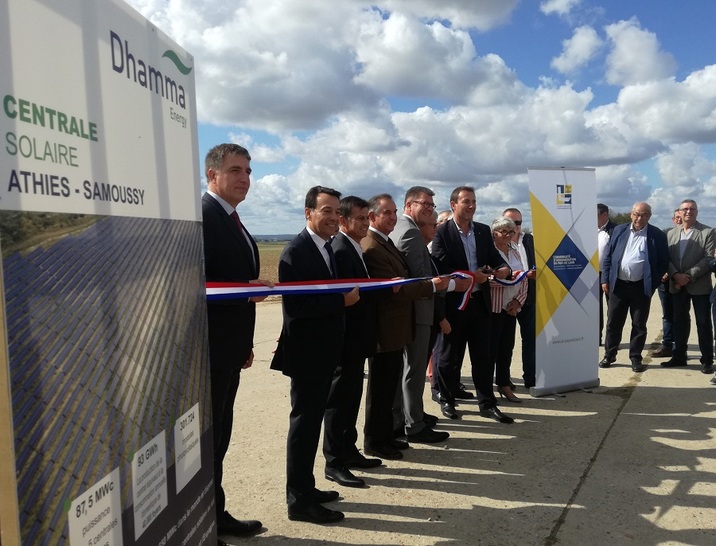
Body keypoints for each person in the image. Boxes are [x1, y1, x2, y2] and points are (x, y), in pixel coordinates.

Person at [271, 186, 359, 524]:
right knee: (304, 426)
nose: (334, 218)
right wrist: (341, 302)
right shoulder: (296, 252)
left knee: (312, 424)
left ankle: (307, 488)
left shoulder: (327, 249)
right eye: (326, 210)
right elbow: (296, 307)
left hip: (325, 352)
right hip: (307, 355)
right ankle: (299, 501)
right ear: (308, 213)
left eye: (337, 211)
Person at [202, 143, 272, 538]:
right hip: (210, 349)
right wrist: (244, 289)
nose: (245, 178)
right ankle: (208, 521)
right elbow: (196, 283)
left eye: (247, 170)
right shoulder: (204, 216)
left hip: (230, 348)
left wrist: (244, 345)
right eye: (235, 171)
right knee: (210, 438)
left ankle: (217, 513)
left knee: (221, 435)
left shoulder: (231, 218)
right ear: (212, 175)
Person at [361, 194, 448, 460]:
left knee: (390, 384)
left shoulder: (385, 240)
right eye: (386, 213)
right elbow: (400, 285)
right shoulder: (372, 244)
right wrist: (436, 285)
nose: (392, 217)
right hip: (388, 325)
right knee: (385, 386)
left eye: (393, 212)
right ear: (372, 216)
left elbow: (404, 278)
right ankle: (384, 436)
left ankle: (389, 432)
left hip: (398, 323)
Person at [390, 187, 467, 444]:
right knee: (413, 371)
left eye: (432, 206)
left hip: (414, 310)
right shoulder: (410, 232)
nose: (430, 209)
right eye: (425, 204)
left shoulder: (405, 228)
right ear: (409, 205)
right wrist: (453, 284)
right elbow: (423, 279)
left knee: (411, 370)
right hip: (418, 311)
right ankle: (414, 424)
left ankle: (412, 416)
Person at [431, 186, 513, 423]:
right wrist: (470, 276)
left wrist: (503, 269)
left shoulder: (483, 231)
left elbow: (495, 259)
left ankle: (487, 403)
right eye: (466, 201)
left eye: (474, 201)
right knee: (448, 357)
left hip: (480, 304)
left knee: (483, 357)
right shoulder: (442, 233)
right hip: (454, 305)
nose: (472, 206)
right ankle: (446, 399)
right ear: (454, 204)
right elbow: (441, 266)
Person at [323, 196, 381, 489]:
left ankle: (349, 449)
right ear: (343, 221)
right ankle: (334, 461)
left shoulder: (355, 248)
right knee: (338, 402)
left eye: (367, 217)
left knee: (351, 399)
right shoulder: (340, 249)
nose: (365, 223)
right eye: (359, 218)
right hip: (345, 341)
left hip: (358, 340)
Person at [599, 202, 669, 372]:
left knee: (639, 324)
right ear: (631, 214)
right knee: (613, 322)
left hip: (641, 287)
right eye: (636, 214)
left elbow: (663, 263)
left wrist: (653, 283)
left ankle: (635, 357)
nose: (639, 218)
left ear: (649, 217)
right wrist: (605, 279)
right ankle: (610, 354)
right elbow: (608, 257)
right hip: (619, 286)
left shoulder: (657, 235)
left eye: (644, 214)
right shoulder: (619, 231)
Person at [663, 199, 715, 373]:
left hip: (699, 285)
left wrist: (688, 276)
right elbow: (667, 259)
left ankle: (707, 359)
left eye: (692, 209)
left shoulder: (708, 232)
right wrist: (676, 276)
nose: (688, 212)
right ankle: (679, 356)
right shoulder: (671, 234)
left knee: (703, 322)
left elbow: (708, 259)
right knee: (679, 321)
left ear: (697, 212)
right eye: (685, 209)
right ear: (679, 212)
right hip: (677, 285)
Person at [489, 217, 529, 402]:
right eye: (502, 231)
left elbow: (524, 277)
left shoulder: (515, 250)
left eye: (510, 231)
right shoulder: (489, 251)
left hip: (511, 308)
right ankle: (486, 389)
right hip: (493, 308)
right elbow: (487, 281)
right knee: (489, 350)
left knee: (506, 349)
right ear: (494, 232)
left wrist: (518, 301)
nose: (506, 235)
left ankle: (504, 384)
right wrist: (509, 278)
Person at [502, 207, 537, 388]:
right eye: (510, 222)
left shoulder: (529, 240)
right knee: (505, 344)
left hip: (528, 298)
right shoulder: (497, 243)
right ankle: (504, 380)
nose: (514, 226)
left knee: (530, 340)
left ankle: (530, 379)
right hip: (506, 301)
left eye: (518, 222)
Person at [651, 209, 682, 358]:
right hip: (664, 283)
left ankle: (680, 348)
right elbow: (660, 255)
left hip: (681, 281)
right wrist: (662, 272)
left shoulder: (691, 235)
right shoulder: (665, 235)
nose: (679, 220)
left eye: (681, 217)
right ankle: (667, 346)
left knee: (680, 315)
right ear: (673, 219)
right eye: (677, 218)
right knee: (667, 315)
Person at [598, 203, 616, 345]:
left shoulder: (616, 230)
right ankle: (596, 337)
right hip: (591, 275)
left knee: (613, 308)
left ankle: (612, 340)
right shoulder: (587, 230)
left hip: (609, 275)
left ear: (604, 215)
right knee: (594, 309)